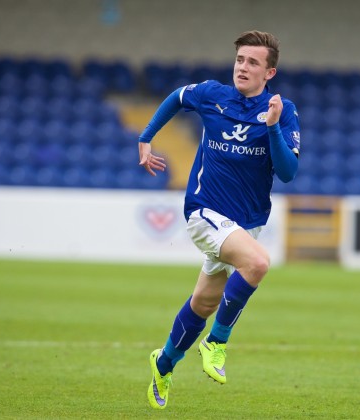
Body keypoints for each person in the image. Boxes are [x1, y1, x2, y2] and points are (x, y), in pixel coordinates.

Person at [138, 30, 301, 409]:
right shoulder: (213, 94)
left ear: (269, 73)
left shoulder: (284, 110)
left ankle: (163, 363)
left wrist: (273, 125)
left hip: (247, 221)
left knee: (204, 302)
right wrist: (146, 137)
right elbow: (177, 97)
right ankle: (217, 342)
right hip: (203, 211)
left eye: (253, 63)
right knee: (258, 262)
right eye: (240, 60)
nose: (243, 68)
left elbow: (288, 171)